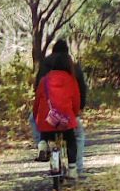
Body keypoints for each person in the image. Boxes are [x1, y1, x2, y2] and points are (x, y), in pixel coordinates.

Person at [30, 40, 87, 179]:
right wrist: (77, 111)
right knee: (76, 136)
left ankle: (41, 143)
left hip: (48, 116)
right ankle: (76, 168)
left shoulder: (45, 70)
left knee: (36, 122)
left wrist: (36, 113)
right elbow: (79, 95)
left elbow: (37, 95)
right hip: (66, 117)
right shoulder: (72, 72)